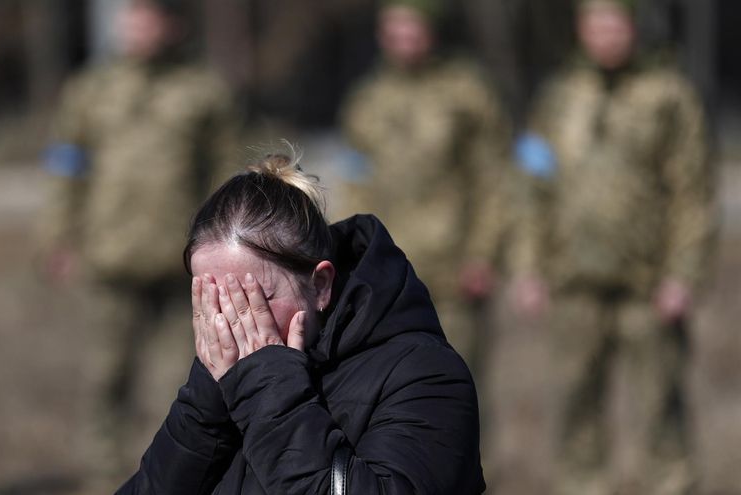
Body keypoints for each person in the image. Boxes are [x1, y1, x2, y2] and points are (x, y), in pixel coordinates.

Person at [116, 152, 486, 494]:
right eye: (213, 302)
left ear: (320, 284)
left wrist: (270, 391)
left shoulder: (425, 375)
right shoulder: (220, 379)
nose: (231, 323)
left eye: (253, 299)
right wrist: (204, 410)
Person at [510, 0, 716, 493]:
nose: (605, 34)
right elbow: (531, 187)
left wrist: (683, 275)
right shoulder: (558, 97)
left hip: (649, 287)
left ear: (633, 26)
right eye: (595, 22)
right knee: (576, 415)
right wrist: (527, 266)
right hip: (574, 284)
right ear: (581, 27)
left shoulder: (669, 95)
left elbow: (693, 193)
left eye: (615, 22)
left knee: (661, 416)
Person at [37, 0, 236, 464]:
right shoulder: (91, 89)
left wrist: (228, 247)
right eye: (133, 16)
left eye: (151, 17)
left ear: (174, 25)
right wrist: (58, 237)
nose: (138, 27)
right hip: (111, 255)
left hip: (182, 261)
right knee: (106, 375)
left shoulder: (203, 90)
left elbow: (226, 175)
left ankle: (175, 471)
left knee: (184, 380)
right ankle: (104, 472)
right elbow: (67, 168)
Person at [338, 0, 511, 375]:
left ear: (432, 29)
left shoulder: (466, 93)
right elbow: (355, 182)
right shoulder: (367, 101)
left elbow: (493, 179)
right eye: (395, 27)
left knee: (454, 380)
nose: (404, 36)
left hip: (453, 271)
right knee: (387, 385)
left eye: (413, 25)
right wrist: (350, 256)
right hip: (385, 272)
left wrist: (483, 254)